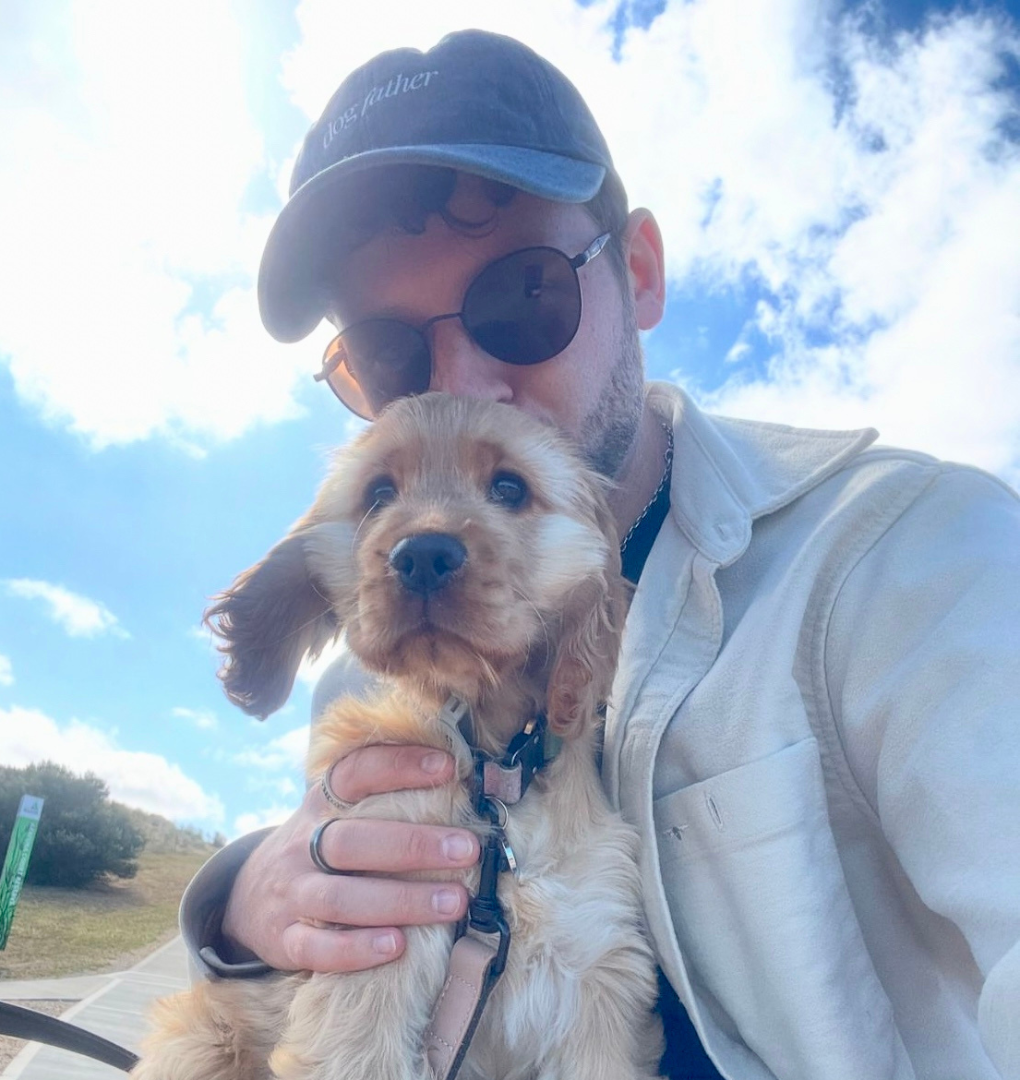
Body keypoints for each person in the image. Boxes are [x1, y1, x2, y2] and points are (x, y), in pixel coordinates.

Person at [180, 29, 1020, 1080]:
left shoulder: (905, 552)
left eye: (523, 295)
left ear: (640, 274)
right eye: (389, 350)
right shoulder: (380, 654)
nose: (461, 380)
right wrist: (243, 896)